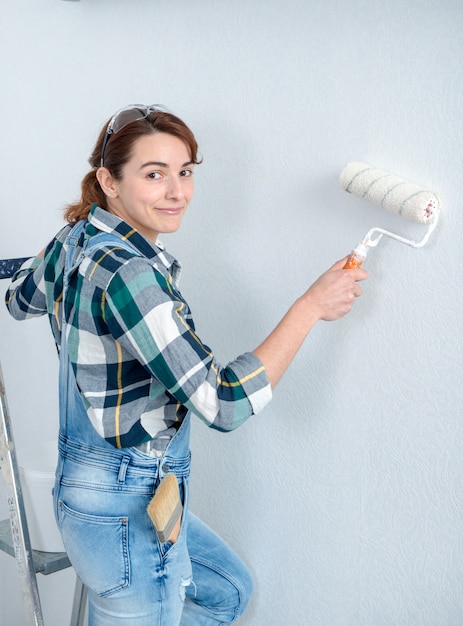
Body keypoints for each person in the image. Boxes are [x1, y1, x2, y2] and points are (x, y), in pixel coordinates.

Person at [5, 104, 367, 625]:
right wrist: (310, 306)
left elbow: (20, 300)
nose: (177, 192)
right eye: (154, 175)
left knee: (229, 591)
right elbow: (223, 404)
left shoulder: (76, 238)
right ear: (109, 180)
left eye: (185, 172)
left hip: (95, 493)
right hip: (123, 505)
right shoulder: (132, 276)